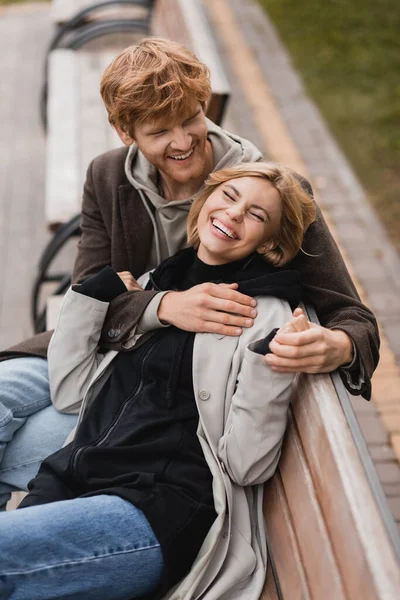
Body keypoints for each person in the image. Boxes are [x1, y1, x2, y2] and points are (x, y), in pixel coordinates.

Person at [0, 38, 379, 510]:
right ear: (124, 131)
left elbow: (352, 316)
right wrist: (165, 306)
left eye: (190, 120)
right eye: (159, 131)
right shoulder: (107, 176)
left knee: (13, 453)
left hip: (163, 400)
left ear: (204, 105)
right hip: (93, 355)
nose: (182, 142)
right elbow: (93, 290)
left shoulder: (269, 192)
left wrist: (338, 346)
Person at [0, 162, 316, 600]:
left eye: (257, 215)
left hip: (154, 508)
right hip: (73, 478)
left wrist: (271, 364)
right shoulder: (159, 282)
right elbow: (71, 391)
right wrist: (94, 296)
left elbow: (246, 465)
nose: (235, 213)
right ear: (205, 201)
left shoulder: (264, 315)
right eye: (229, 196)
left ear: (271, 245)